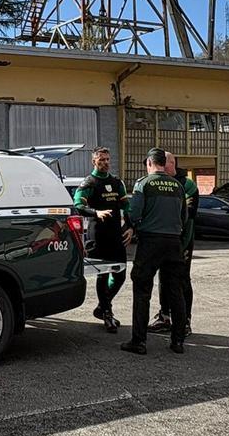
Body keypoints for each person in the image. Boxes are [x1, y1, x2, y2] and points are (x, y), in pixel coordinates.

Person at [120, 149, 188, 356]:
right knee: (175, 291)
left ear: (150, 163)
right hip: (174, 242)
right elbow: (184, 217)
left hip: (151, 241)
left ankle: (138, 341)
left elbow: (135, 212)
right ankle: (178, 341)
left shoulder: (144, 183)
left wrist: (132, 224)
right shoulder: (177, 185)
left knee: (142, 290)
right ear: (163, 163)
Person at [72, 147, 129, 333]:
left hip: (116, 235)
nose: (105, 162)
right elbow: (78, 205)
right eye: (101, 159)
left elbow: (125, 205)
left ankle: (102, 306)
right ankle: (107, 313)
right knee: (103, 274)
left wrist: (130, 226)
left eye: (107, 159)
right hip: (98, 235)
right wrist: (96, 212)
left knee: (120, 274)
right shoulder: (89, 182)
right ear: (93, 162)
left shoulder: (116, 182)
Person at [149, 158, 198, 336]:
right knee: (163, 278)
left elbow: (188, 216)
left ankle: (185, 321)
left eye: (167, 162)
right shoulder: (158, 182)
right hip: (164, 241)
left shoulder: (187, 184)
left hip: (182, 241)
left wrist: (183, 245)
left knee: (182, 279)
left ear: (173, 163)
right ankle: (164, 317)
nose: (163, 165)